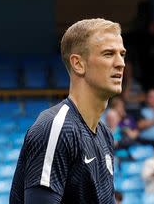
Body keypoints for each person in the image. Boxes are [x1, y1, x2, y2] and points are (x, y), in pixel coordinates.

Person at [10, 18, 126, 204]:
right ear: (78, 64)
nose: (120, 63)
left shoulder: (105, 135)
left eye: (122, 54)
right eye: (108, 54)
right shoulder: (57, 128)